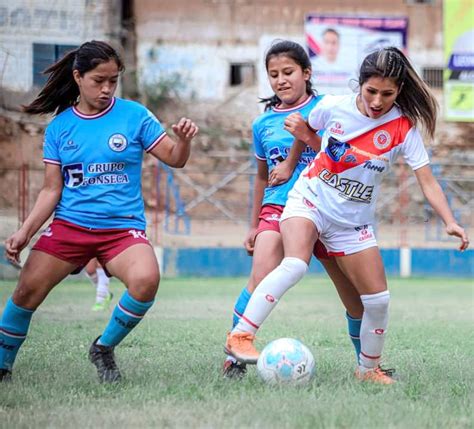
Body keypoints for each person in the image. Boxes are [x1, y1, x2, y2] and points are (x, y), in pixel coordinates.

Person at [225, 47, 469, 384]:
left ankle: (367, 370)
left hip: (352, 222)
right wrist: (291, 163)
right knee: (294, 264)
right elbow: (304, 132)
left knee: (378, 301)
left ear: (399, 90)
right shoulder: (332, 107)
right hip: (309, 200)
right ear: (359, 85)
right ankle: (240, 336)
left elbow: (427, 182)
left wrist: (450, 221)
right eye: (371, 91)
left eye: (387, 93)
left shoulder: (403, 128)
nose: (377, 101)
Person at [1, 40, 198, 383]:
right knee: (25, 293)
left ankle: (103, 347)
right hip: (69, 227)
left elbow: (176, 158)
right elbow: (51, 189)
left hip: (122, 230)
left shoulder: (134, 116)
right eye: (98, 80)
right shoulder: (61, 128)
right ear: (78, 76)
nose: (107, 89)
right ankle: (3, 365)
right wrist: (25, 232)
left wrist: (183, 140)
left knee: (146, 281)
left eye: (113, 80)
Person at [223, 40, 365, 379]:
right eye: (273, 75)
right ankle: (234, 357)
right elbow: (261, 177)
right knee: (259, 278)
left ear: (306, 73)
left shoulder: (327, 109)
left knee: (354, 297)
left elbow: (342, 158)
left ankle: (367, 364)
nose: (281, 80)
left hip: (326, 209)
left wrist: (307, 137)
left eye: (288, 72)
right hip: (277, 208)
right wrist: (254, 224)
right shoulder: (263, 124)